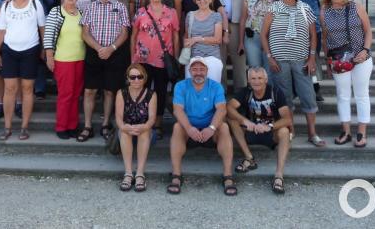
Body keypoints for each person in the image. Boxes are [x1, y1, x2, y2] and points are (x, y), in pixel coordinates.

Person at [261, 0, 325, 147]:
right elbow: (263, 35)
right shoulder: (273, 8)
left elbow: (313, 35)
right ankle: (290, 130)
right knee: (285, 97)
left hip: (301, 60)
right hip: (279, 62)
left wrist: (312, 58)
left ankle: (312, 133)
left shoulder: (305, 9)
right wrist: (269, 57)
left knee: (308, 96)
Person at [168, 57, 237, 196]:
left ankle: (228, 176)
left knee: (223, 127)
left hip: (210, 130)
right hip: (189, 131)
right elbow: (178, 110)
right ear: (189, 71)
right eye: (194, 69)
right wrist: (188, 128)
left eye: (201, 69)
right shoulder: (181, 86)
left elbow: (222, 109)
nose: (198, 72)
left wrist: (211, 128)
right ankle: (176, 175)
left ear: (207, 71)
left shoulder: (216, 86)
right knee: (177, 127)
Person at [319, 0, 373, 148]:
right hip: (338, 60)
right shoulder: (324, 10)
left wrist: (365, 51)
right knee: (342, 96)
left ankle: (361, 132)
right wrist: (327, 61)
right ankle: (346, 131)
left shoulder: (356, 6)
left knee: (361, 94)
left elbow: (368, 31)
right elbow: (325, 38)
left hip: (360, 57)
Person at [78, 0, 131, 142]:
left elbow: (125, 33)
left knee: (110, 91)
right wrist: (99, 48)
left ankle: (106, 124)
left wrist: (111, 48)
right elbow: (84, 33)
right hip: (95, 53)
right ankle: (87, 126)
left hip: (115, 53)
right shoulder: (90, 7)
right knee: (89, 91)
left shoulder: (120, 7)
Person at [0, 0, 46, 141]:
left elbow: (42, 28)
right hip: (9, 51)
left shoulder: (35, 3)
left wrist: (45, 49)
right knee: (9, 89)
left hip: (30, 50)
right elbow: (1, 30)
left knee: (27, 89)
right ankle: (7, 127)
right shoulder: (6, 5)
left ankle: (24, 127)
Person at [226, 67, 293, 194]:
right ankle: (249, 158)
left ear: (266, 79)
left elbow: (287, 119)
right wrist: (245, 121)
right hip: (252, 129)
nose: (256, 81)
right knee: (232, 120)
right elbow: (229, 107)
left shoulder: (276, 92)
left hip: (271, 132)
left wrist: (269, 126)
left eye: (260, 78)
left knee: (284, 131)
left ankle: (279, 175)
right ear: (248, 81)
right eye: (253, 78)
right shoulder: (246, 92)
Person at [131, 0, 180, 140]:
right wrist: (133, 57)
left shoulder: (171, 12)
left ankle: (157, 123)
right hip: (142, 59)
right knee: (142, 90)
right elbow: (134, 35)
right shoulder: (141, 12)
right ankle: (142, 120)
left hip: (162, 59)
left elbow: (175, 36)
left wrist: (176, 58)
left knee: (160, 92)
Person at [43, 0, 86, 139]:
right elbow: (48, 36)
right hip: (63, 60)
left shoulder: (81, 13)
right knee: (65, 95)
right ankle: (61, 126)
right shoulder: (56, 12)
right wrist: (49, 57)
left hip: (80, 59)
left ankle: (72, 125)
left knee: (75, 95)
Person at [209, 0, 254, 91]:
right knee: (218, 60)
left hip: (235, 23)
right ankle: (220, 93)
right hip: (215, 24)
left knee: (239, 59)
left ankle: (241, 93)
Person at [115, 64, 157, 192]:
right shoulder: (121, 93)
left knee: (144, 132)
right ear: (128, 78)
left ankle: (140, 174)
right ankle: (128, 173)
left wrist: (144, 127)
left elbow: (152, 119)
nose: (136, 80)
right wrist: (125, 127)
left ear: (145, 78)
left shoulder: (151, 94)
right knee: (124, 131)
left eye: (140, 77)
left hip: (146, 131)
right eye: (132, 77)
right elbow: (118, 118)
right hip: (126, 131)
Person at [238, 0, 280, 76]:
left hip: (272, 38)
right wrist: (241, 42)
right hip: (252, 38)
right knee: (255, 69)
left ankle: (270, 93)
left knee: (270, 70)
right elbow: (243, 19)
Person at [295, 0, 325, 101]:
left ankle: (315, 88)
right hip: (295, 29)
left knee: (313, 59)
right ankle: (298, 89)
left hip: (314, 29)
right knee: (297, 59)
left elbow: (322, 6)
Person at [182, 0, 224, 83]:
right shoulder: (190, 15)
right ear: (195, 0)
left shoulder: (216, 16)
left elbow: (218, 39)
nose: (202, 1)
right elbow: (187, 36)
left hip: (212, 57)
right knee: (192, 91)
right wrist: (186, 42)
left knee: (212, 89)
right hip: (193, 57)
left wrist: (197, 39)